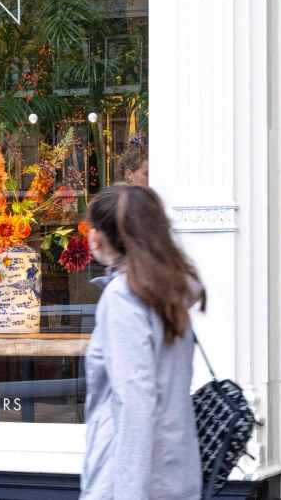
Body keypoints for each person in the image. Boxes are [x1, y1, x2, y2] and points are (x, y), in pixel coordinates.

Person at [79, 184, 204, 500]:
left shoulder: (123, 299)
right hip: (176, 475)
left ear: (96, 236)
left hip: (132, 484)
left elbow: (134, 404)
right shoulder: (167, 293)